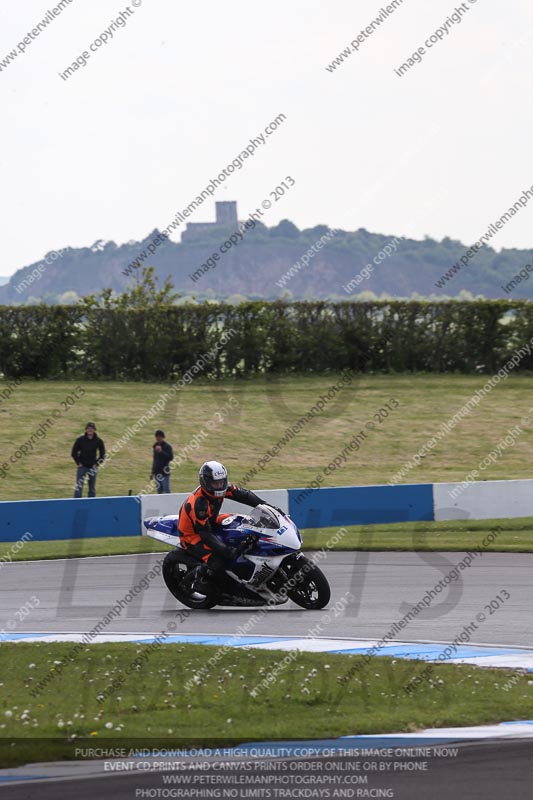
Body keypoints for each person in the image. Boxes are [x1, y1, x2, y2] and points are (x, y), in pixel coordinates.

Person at [177, 460, 282, 593]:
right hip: (193, 535)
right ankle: (200, 580)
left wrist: (266, 506)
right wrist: (225, 550)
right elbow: (205, 534)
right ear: (206, 483)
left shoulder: (222, 488)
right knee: (219, 561)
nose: (219, 485)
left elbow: (244, 495)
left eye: (221, 482)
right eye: (215, 483)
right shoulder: (199, 503)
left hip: (211, 522)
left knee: (242, 523)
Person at [71, 422, 106, 498]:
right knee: (78, 487)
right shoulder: (80, 440)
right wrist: (78, 462)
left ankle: (91, 504)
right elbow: (74, 452)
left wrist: (97, 464)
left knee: (92, 488)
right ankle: (76, 503)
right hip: (82, 466)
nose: (90, 430)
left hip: (92, 467)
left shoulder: (99, 441)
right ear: (86, 430)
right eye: (88, 429)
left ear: (94, 430)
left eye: (92, 429)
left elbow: (103, 455)